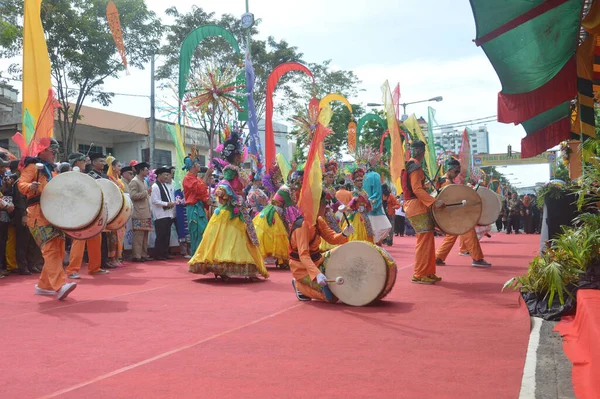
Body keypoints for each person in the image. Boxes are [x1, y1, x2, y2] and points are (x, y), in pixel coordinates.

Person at [188, 130, 268, 280]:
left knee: (245, 238)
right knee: (230, 238)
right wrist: (233, 196)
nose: (241, 156)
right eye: (239, 154)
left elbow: (243, 185)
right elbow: (222, 185)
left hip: (240, 208)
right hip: (231, 208)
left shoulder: (238, 169)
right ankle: (224, 268)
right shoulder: (230, 170)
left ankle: (250, 269)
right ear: (235, 156)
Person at [18, 138, 77, 299]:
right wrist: (31, 186)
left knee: (58, 249)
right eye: (53, 151)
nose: (55, 154)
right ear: (43, 150)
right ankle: (59, 285)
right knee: (50, 249)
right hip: (38, 214)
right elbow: (21, 184)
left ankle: (44, 286)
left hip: (54, 214)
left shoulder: (53, 170)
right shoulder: (32, 167)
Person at [289, 187, 354, 302]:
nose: (326, 207)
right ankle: (300, 285)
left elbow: (332, 238)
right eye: (324, 203)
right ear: (315, 205)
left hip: (318, 260)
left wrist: (344, 234)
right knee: (331, 297)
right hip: (302, 268)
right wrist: (317, 274)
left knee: (342, 252)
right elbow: (303, 255)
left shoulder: (318, 220)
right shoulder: (303, 225)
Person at [434, 159, 492, 268]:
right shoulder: (446, 182)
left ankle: (438, 257)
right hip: (453, 214)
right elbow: (452, 199)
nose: (457, 175)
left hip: (451, 214)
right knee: (469, 231)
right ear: (450, 169)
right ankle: (477, 258)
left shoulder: (444, 180)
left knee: (452, 235)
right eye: (456, 172)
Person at [402, 140, 445, 284]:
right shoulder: (415, 166)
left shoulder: (412, 165)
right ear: (422, 151)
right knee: (424, 241)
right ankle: (419, 274)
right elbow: (416, 189)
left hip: (415, 205)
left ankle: (429, 271)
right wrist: (434, 201)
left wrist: (428, 184)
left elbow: (417, 187)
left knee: (428, 240)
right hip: (416, 206)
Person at [63, 152, 110, 279]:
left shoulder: (87, 175)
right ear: (76, 162)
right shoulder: (70, 175)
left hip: (91, 211)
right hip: (79, 212)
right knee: (79, 240)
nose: (86, 163)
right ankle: (72, 269)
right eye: (83, 161)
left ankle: (95, 267)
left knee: (95, 238)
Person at [253, 184, 299, 268]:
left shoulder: (284, 190)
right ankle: (282, 260)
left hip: (276, 211)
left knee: (277, 234)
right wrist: (297, 220)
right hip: (275, 212)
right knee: (279, 234)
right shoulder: (285, 191)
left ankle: (281, 260)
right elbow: (290, 207)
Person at [182, 158, 212, 256]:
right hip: (193, 207)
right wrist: (207, 175)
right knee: (196, 232)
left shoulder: (197, 179)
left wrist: (207, 200)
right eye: (197, 163)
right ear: (192, 166)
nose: (199, 165)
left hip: (199, 207)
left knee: (204, 230)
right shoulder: (187, 179)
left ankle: (202, 255)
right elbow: (199, 189)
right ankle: (196, 256)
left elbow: (202, 193)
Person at [129, 162, 154, 262]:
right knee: (138, 235)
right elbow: (133, 196)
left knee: (145, 235)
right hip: (139, 212)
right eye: (146, 169)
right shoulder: (134, 181)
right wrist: (146, 192)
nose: (148, 171)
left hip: (145, 211)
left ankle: (143, 254)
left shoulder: (143, 181)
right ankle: (137, 255)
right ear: (141, 170)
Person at [342, 167, 374, 243]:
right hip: (355, 215)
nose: (360, 182)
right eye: (358, 180)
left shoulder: (364, 192)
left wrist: (370, 202)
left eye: (361, 180)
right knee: (355, 232)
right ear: (354, 182)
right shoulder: (353, 192)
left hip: (364, 214)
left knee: (366, 232)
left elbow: (367, 203)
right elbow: (350, 205)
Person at [151, 166, 176, 260]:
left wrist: (172, 203)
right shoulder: (155, 186)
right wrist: (167, 203)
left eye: (168, 175)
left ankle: (165, 253)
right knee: (161, 235)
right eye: (165, 175)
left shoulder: (164, 185)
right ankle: (158, 254)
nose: (167, 177)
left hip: (168, 213)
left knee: (166, 235)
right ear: (159, 175)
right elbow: (154, 201)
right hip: (160, 214)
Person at [106, 156, 125, 267]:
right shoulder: (109, 179)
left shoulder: (118, 179)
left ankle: (118, 256)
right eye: (118, 166)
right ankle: (112, 258)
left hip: (121, 208)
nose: (120, 168)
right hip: (113, 209)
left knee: (120, 234)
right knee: (113, 235)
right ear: (112, 167)